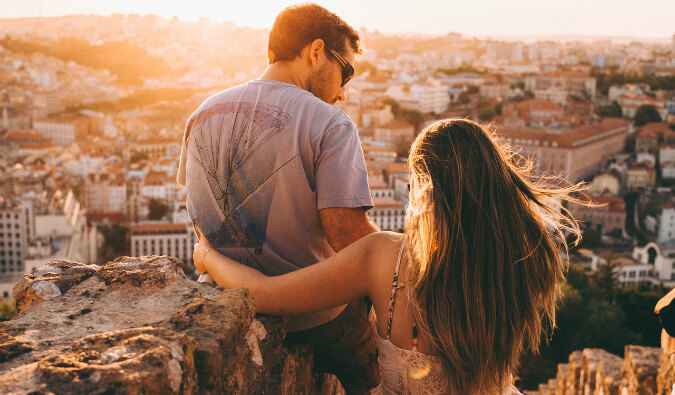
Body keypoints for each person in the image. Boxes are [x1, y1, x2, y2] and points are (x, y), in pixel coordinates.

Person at [193, 119, 584, 394]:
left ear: (422, 187)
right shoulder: (527, 258)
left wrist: (208, 255)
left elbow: (264, 294)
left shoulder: (384, 257)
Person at [176, 4, 379, 393]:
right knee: (380, 366)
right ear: (315, 52)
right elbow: (347, 235)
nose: (341, 92)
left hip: (223, 297)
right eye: (346, 72)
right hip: (314, 316)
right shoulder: (330, 124)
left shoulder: (202, 113)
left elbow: (199, 213)